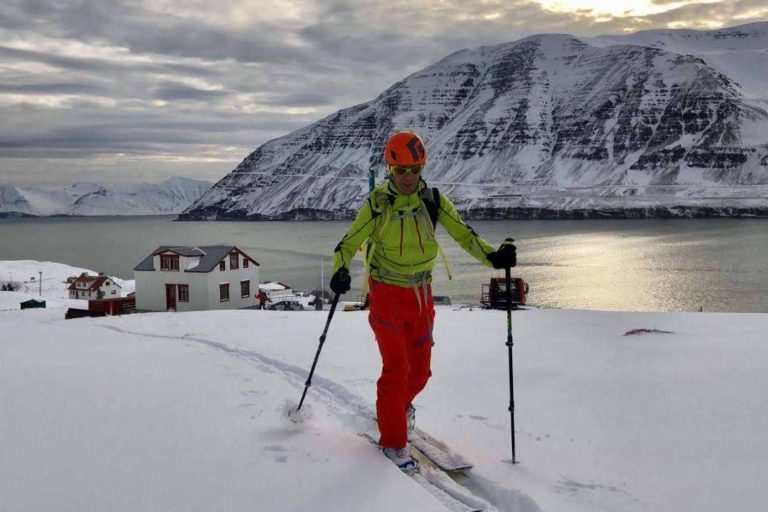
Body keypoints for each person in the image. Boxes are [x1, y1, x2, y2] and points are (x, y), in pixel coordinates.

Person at [330, 131, 517, 474]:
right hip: (386, 294)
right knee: (397, 369)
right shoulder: (377, 204)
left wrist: (494, 257)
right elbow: (347, 244)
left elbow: (463, 233)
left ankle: (395, 412)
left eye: (415, 169)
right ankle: (393, 440)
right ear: (390, 169)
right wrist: (340, 271)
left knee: (420, 372)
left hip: (421, 296)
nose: (408, 177)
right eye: (401, 170)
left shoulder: (433, 200)